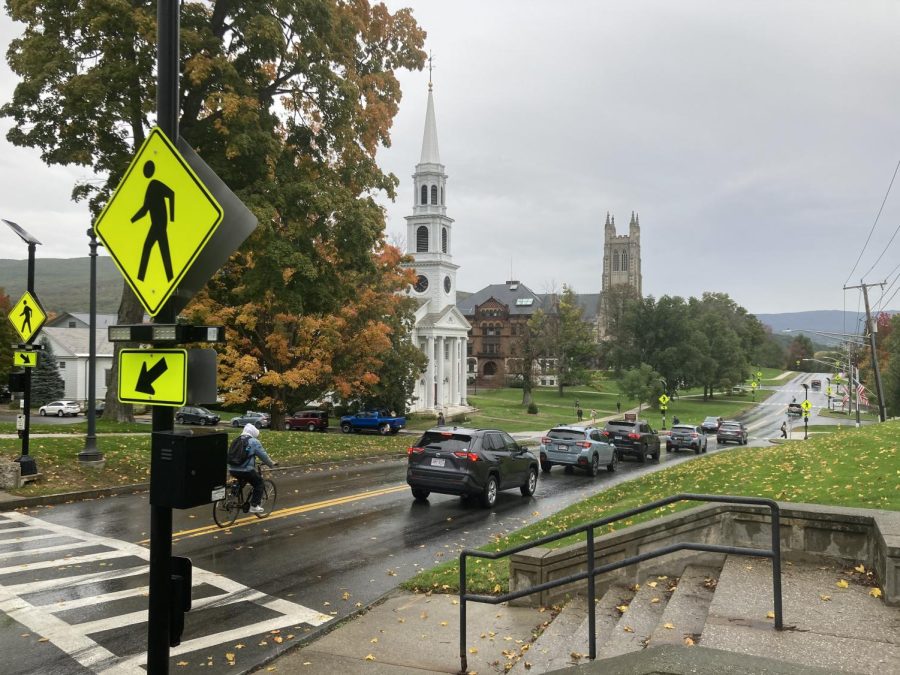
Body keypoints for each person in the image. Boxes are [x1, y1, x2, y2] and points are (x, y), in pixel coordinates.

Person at [229, 423, 277, 513]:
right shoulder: (254, 441)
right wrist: (271, 464)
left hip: (232, 468)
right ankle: (254, 505)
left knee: (241, 481)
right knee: (259, 483)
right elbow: (264, 456)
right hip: (246, 470)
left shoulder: (236, 440)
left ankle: (232, 495)